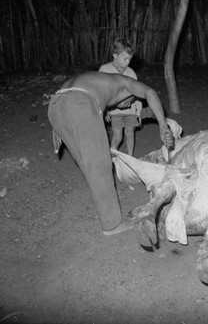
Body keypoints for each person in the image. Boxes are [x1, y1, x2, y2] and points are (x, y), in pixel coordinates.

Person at [47, 71, 174, 236]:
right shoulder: (126, 82)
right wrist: (163, 125)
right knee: (100, 165)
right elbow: (150, 92)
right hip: (79, 104)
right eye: (130, 103)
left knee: (86, 161)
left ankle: (102, 199)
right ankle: (112, 225)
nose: (127, 106)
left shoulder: (103, 81)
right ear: (130, 94)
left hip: (56, 106)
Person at [99, 39, 142, 156]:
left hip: (130, 110)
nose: (128, 62)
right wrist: (105, 110)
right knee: (117, 136)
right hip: (115, 111)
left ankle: (130, 158)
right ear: (114, 55)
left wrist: (138, 110)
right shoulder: (105, 70)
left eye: (130, 59)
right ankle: (112, 157)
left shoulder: (131, 73)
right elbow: (101, 92)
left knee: (130, 134)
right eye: (125, 59)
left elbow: (137, 92)